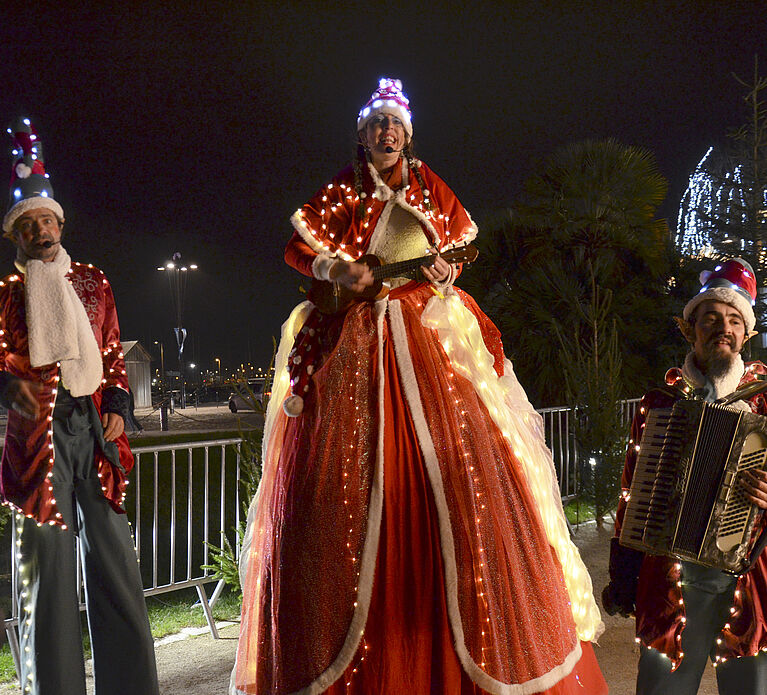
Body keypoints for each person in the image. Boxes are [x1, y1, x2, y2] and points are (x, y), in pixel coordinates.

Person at [232, 78, 607, 695]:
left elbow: (463, 241)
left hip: (431, 331)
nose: (386, 134)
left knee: (475, 485)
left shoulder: (429, 186)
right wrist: (337, 267)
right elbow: (299, 251)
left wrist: (447, 265)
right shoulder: (343, 193)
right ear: (363, 134)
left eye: (396, 125)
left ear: (407, 135)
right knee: (339, 494)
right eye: (377, 124)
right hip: (358, 339)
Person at [0, 118, 159, 695]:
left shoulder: (93, 282)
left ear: (60, 223)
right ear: (15, 236)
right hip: (36, 443)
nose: (38, 231)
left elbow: (113, 351)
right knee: (48, 574)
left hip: (93, 434)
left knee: (116, 564)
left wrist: (117, 397)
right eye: (27, 225)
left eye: (46, 220)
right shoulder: (6, 298)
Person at [603, 257, 767, 695]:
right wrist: (624, 572)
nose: (723, 329)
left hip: (748, 580)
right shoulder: (661, 403)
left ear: (746, 335)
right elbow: (631, 490)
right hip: (670, 582)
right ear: (688, 328)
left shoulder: (765, 403)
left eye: (735, 320)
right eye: (711, 318)